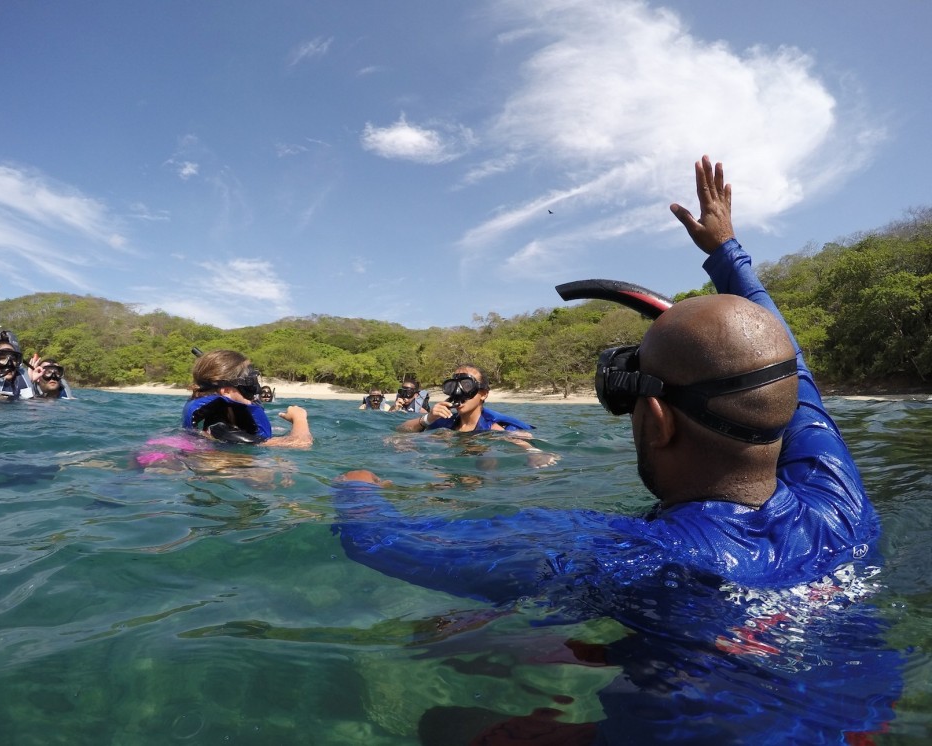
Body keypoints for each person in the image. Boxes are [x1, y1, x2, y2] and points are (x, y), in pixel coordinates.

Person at [332, 157, 900, 742]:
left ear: (655, 419)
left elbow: (376, 542)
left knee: (445, 724)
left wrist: (355, 487)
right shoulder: (837, 491)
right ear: (790, 405)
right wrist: (728, 251)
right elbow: (787, 360)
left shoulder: (630, 555)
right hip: (860, 723)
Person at [183, 349, 312, 448]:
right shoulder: (219, 428)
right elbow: (300, 443)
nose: (255, 389)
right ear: (226, 391)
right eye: (249, 384)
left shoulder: (223, 408)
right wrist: (299, 418)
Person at [397, 365, 533, 434]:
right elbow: (401, 430)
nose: (458, 392)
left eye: (466, 386)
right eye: (453, 386)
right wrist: (429, 418)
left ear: (484, 394)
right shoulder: (445, 424)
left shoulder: (494, 428)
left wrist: (534, 453)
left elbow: (522, 442)